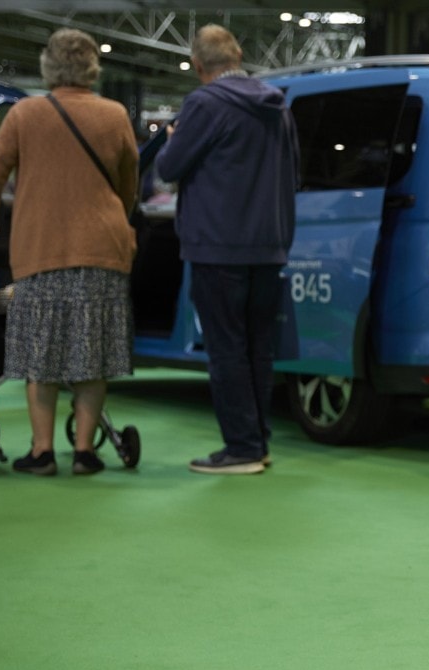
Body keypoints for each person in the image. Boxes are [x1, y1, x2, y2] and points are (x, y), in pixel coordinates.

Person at [0, 29, 137, 476]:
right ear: (91, 68)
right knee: (92, 354)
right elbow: (128, 187)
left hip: (41, 250)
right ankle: (85, 451)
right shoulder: (115, 114)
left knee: (39, 355)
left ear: (48, 65)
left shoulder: (24, 115)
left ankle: (42, 451)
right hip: (103, 248)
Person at [156, 24, 299, 474]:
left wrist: (172, 137)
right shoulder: (278, 105)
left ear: (199, 65)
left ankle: (240, 448)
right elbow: (294, 172)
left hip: (218, 245)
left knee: (226, 349)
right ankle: (257, 442)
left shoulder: (203, 103)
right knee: (258, 347)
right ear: (237, 55)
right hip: (268, 244)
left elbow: (168, 167)